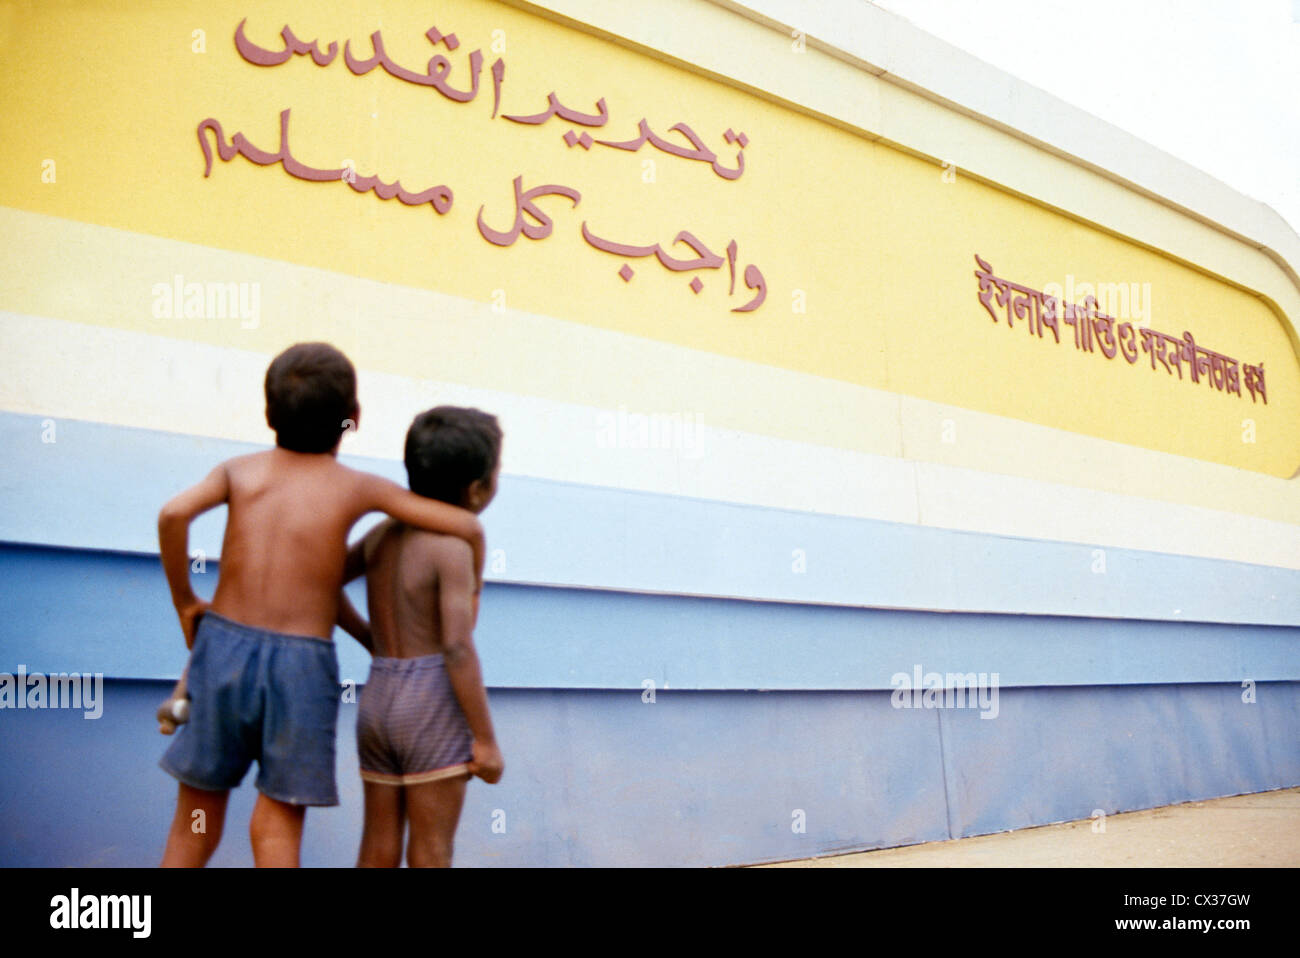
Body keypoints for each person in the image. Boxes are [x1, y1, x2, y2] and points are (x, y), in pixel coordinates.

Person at [156, 343, 486, 868]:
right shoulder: (356, 488)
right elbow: (465, 525)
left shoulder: (238, 472)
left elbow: (174, 515)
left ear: (268, 414)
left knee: (195, 815)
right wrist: (475, 578)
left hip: (221, 649)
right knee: (278, 820)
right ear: (352, 420)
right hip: (300, 667)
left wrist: (185, 602)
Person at [343, 406, 505, 868]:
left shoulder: (381, 536)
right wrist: (486, 740)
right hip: (431, 701)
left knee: (377, 847)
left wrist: (369, 639)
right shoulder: (453, 549)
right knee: (431, 850)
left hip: (378, 697)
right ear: (477, 489)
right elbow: (456, 646)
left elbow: (323, 581)